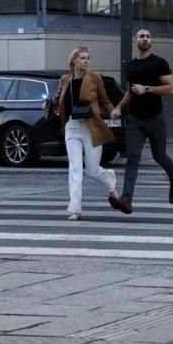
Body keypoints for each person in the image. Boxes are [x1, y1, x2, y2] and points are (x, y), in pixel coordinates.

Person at [109, 28, 173, 215]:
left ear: (151, 41)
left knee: (160, 156)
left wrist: (147, 88)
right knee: (132, 158)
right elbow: (130, 92)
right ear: (136, 41)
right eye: (142, 36)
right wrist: (118, 108)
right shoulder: (130, 66)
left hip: (155, 118)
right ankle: (126, 199)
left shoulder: (159, 63)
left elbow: (171, 89)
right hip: (135, 119)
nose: (145, 39)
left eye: (148, 36)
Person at [52, 46, 120, 221]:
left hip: (91, 127)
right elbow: (58, 101)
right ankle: (76, 209)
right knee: (75, 168)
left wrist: (113, 111)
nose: (86, 61)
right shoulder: (65, 79)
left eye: (88, 58)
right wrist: (53, 107)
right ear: (74, 60)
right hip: (71, 127)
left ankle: (109, 179)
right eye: (82, 58)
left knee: (92, 169)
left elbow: (104, 100)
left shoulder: (94, 78)